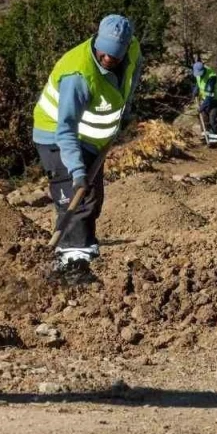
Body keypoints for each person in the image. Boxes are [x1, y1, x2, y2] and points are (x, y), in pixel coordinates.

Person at [32, 15, 143, 284]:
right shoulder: (78, 75)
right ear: (96, 41)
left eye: (114, 56)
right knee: (74, 198)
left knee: (91, 199)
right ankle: (72, 268)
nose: (106, 58)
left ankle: (79, 257)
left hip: (92, 138)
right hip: (56, 138)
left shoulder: (134, 48)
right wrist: (77, 169)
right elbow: (65, 129)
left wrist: (125, 107)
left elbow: (134, 70)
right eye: (102, 53)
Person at [193, 60, 217, 147]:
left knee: (213, 119)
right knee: (204, 118)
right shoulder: (198, 72)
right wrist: (196, 89)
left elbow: (210, 96)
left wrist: (201, 107)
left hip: (215, 100)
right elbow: (199, 81)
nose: (198, 74)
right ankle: (205, 138)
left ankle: (213, 143)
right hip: (205, 98)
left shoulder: (211, 77)